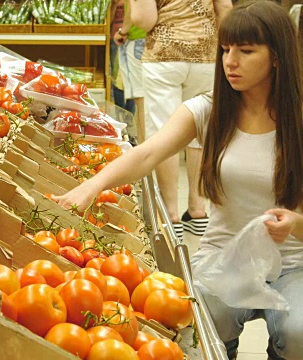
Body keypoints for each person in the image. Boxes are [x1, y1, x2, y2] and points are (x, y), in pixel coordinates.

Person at [52, 1, 303, 359]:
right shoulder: (209, 110)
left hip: (294, 264)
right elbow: (148, 153)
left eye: (246, 51)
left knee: (298, 335)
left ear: (277, 57)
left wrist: (294, 223)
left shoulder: (298, 121)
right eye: (226, 49)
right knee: (201, 319)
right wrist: (90, 186)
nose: (230, 61)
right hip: (223, 256)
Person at [126, 0, 233, 239]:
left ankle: (171, 215)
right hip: (206, 56)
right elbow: (225, 8)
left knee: (165, 130)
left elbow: (145, 20)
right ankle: (197, 211)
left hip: (165, 56)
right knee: (201, 127)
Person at [113, 2, 146, 144]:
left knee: (143, 101)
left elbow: (135, 7)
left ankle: (145, 150)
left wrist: (123, 31)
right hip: (163, 40)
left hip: (138, 38)